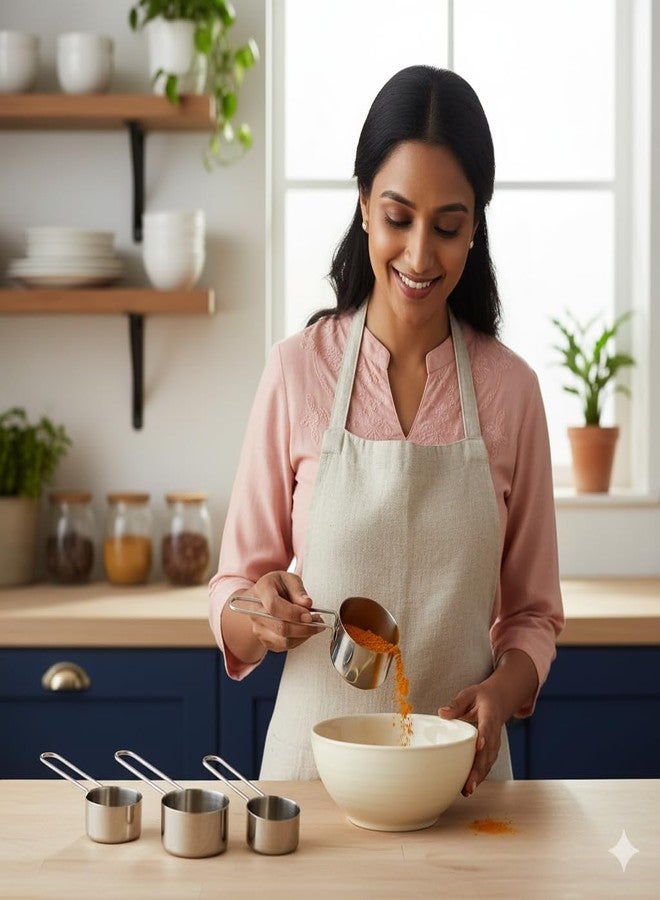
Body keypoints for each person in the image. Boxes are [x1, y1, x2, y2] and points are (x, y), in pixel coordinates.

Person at [209, 65, 564, 792]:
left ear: (475, 227)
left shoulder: (513, 393)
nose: (420, 255)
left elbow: (532, 615)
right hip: (312, 791)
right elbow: (233, 589)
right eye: (399, 218)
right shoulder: (297, 372)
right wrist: (259, 613)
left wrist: (499, 695)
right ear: (365, 206)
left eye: (448, 227)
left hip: (461, 789)